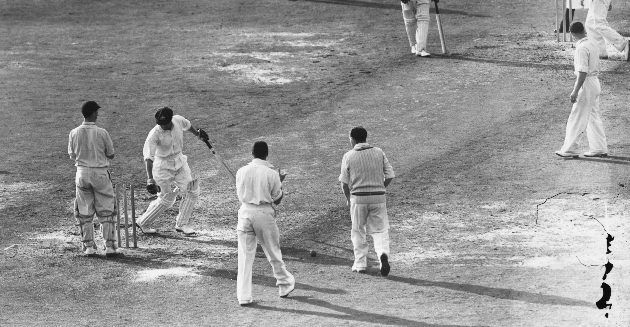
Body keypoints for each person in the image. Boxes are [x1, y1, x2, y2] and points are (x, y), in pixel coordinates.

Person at [235, 141, 294, 306]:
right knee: (273, 252)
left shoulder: (241, 171)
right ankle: (285, 285)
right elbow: (277, 199)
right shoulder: (272, 173)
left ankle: (244, 297)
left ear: (252, 154)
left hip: (245, 213)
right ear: (266, 154)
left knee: (245, 257)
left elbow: (240, 194)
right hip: (263, 214)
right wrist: (280, 181)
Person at [135, 107, 209, 236]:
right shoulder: (154, 134)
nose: (162, 126)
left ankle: (181, 224)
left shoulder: (178, 120)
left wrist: (197, 134)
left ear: (170, 120)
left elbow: (188, 125)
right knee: (167, 199)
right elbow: (148, 157)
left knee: (192, 190)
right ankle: (143, 222)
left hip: (179, 161)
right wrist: (150, 179)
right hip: (162, 167)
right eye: (160, 124)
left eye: (165, 123)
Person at [339, 127, 395, 276]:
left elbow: (344, 183)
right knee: (380, 230)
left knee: (358, 231)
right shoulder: (378, 152)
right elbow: (390, 175)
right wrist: (380, 187)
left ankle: (360, 264)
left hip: (358, 198)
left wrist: (348, 199)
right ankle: (383, 254)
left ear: (353, 139)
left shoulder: (348, 156)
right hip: (378, 198)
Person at [68, 101, 119, 257]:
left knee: (84, 210)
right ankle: (109, 246)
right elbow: (111, 154)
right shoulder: (102, 132)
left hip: (82, 173)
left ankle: (89, 247)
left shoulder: (74, 132)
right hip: (100, 173)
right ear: (92, 113)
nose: (98, 114)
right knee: (107, 209)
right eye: (96, 112)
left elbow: (72, 155)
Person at [556, 22, 608, 158]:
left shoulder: (581, 48)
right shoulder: (592, 43)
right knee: (593, 116)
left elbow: (582, 72)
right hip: (595, 83)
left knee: (577, 116)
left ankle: (569, 149)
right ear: (584, 30)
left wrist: (575, 91)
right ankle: (599, 148)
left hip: (586, 84)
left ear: (572, 34)